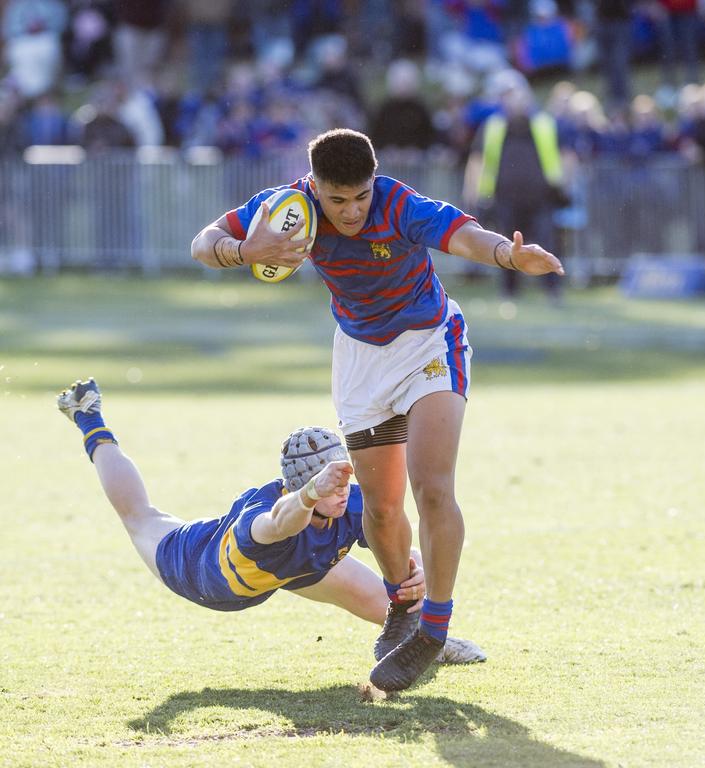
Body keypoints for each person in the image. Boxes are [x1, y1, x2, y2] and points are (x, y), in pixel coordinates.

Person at [191, 128, 562, 690]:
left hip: (428, 343)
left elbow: (461, 235)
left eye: (360, 196)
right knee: (383, 511)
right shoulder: (290, 209)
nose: (353, 211)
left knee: (431, 486)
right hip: (361, 361)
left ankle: (433, 631)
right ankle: (403, 606)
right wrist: (245, 251)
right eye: (338, 200)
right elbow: (203, 242)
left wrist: (508, 254)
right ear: (315, 187)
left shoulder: (396, 203)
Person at [56, 377, 486, 665]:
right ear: (301, 484)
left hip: (292, 569)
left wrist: (418, 571)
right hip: (203, 570)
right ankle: (90, 418)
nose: (341, 492)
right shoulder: (268, 514)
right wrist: (312, 493)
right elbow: (280, 523)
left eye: (342, 481)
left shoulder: (347, 500)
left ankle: (435, 644)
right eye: (328, 485)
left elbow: (396, 542)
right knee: (140, 516)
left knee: (391, 592)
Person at [463, 72, 571, 301]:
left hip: (542, 197)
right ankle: (509, 293)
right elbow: (477, 159)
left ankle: (553, 291)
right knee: (507, 246)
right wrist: (471, 193)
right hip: (504, 199)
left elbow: (565, 155)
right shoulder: (492, 126)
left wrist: (565, 185)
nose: (512, 101)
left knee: (548, 242)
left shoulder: (544, 124)